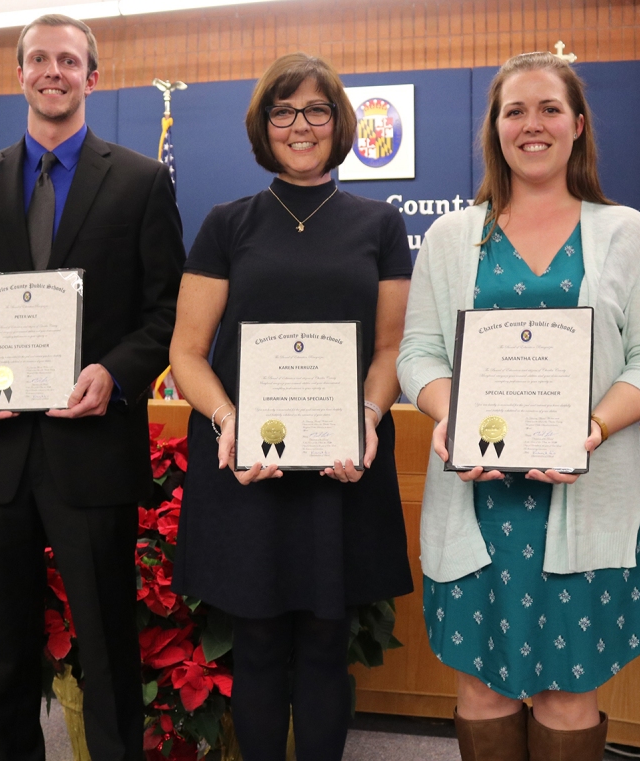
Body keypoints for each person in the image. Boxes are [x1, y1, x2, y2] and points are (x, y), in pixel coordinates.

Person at [396, 52, 640, 761]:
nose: (533, 125)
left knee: (567, 691)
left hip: (585, 497)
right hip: (477, 502)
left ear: (578, 125)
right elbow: (418, 355)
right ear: (494, 129)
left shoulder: (628, 233)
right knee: (483, 692)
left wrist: (592, 426)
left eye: (550, 109)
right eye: (515, 111)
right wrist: (452, 416)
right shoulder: (448, 237)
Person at [0, 14, 185, 761]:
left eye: (68, 61)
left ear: (92, 77)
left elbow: (165, 309)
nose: (53, 71)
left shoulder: (140, 181)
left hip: (93, 447)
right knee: (2, 647)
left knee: (107, 645)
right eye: (38, 58)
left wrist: (118, 371)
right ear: (19, 74)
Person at [169, 52, 414, 761]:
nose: (300, 124)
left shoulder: (379, 223)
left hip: (343, 462)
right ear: (263, 125)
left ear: (339, 124)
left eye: (316, 110)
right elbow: (187, 351)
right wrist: (228, 418)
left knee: (326, 640)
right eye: (284, 111)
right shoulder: (228, 222)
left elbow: (390, 350)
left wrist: (366, 417)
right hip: (248, 463)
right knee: (258, 639)